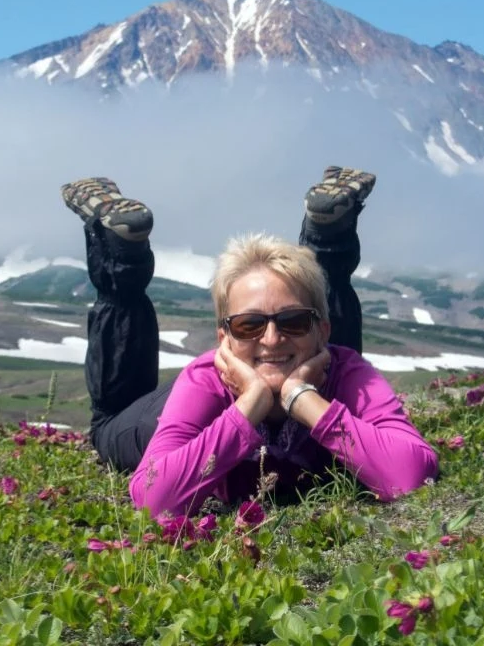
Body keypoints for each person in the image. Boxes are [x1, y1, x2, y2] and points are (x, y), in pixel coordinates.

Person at [60, 167, 438, 516]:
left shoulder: (347, 369)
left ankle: (327, 240)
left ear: (325, 330)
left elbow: (412, 476)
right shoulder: (204, 381)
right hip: (193, 407)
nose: (271, 339)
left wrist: (302, 399)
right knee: (109, 426)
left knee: (314, 317)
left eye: (293, 322)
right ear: (223, 337)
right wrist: (248, 407)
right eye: (249, 325)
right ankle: (121, 255)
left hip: (318, 363)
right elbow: (154, 499)